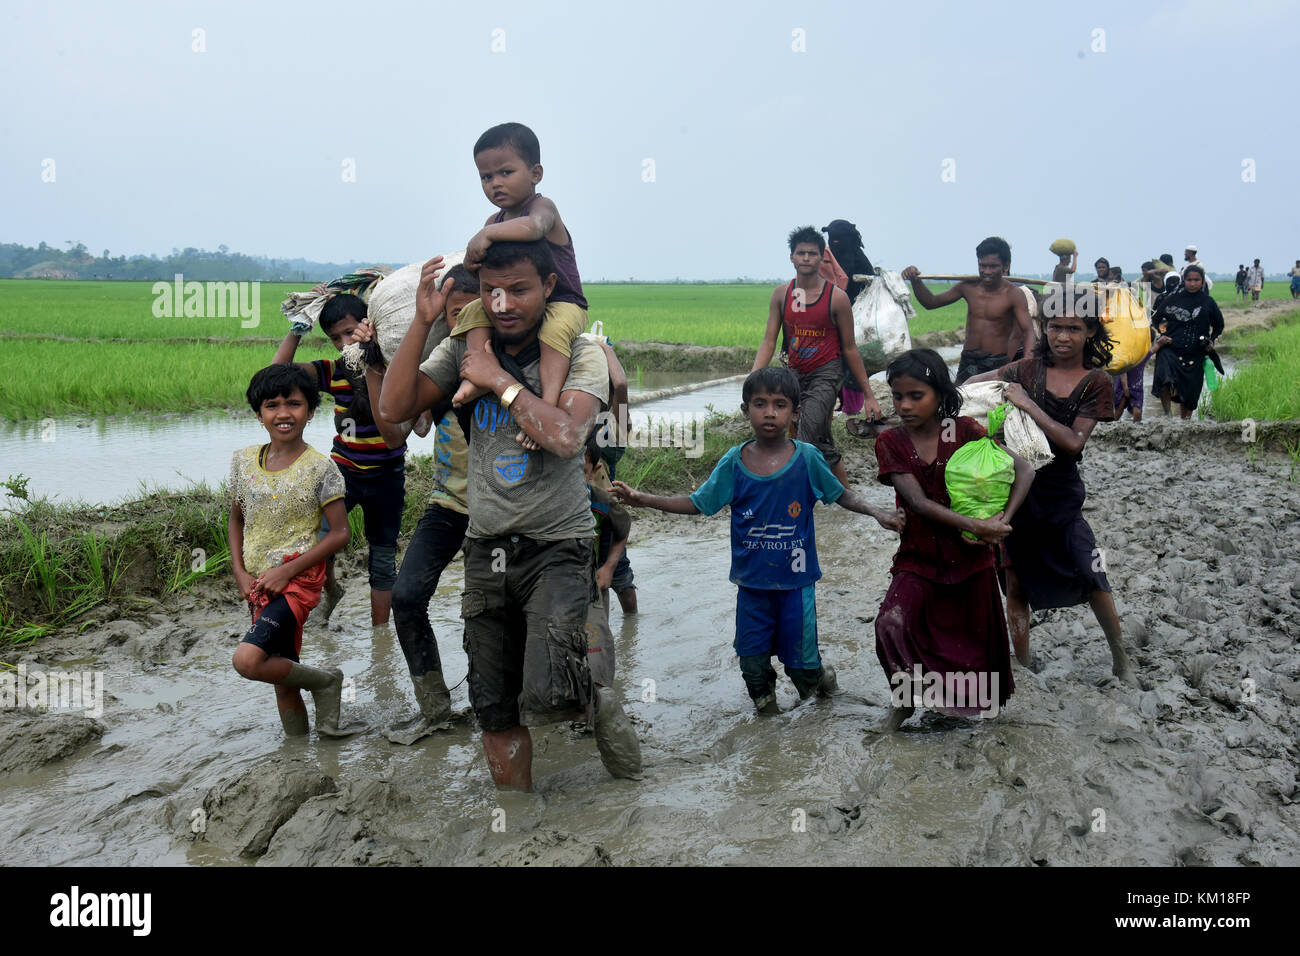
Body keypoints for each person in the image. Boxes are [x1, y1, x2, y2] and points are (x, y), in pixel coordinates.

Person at [379, 240, 639, 788]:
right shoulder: (462, 350)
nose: (502, 303)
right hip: (486, 546)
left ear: (548, 287)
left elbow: (567, 437)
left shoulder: (580, 353)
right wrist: (423, 325)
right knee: (493, 705)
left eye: (518, 289)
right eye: (492, 292)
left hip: (557, 546)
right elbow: (395, 409)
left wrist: (499, 381)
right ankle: (517, 817)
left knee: (551, 693)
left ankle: (594, 694)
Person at [612, 367, 905, 715]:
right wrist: (644, 498)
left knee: (802, 667)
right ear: (744, 410)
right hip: (751, 586)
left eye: (779, 405)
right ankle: (767, 721)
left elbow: (841, 495)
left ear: (794, 413)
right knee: (752, 663)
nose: (769, 412)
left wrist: (877, 511)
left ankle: (823, 681)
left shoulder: (807, 459)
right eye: (760, 403)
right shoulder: (733, 464)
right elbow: (698, 503)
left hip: (797, 585)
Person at [967, 310, 1135, 685]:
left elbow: (1073, 443)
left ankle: (1120, 658)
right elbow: (974, 386)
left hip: (1060, 494)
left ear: (1090, 332)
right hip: (1013, 492)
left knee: (1092, 573)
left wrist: (1027, 404)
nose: (1063, 336)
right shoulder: (1025, 370)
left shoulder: (1096, 381)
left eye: (1074, 328)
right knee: (1015, 582)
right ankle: (1024, 664)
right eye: (1055, 326)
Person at [872, 349, 1032, 731]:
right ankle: (906, 699)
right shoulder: (891, 442)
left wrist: (1001, 523)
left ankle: (978, 718)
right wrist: (980, 527)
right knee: (890, 624)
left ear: (940, 394)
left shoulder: (963, 432)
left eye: (916, 396)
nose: (905, 405)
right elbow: (917, 502)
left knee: (974, 646)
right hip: (919, 556)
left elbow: (1024, 470)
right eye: (897, 396)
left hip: (971, 558)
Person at [367, 265, 479, 745]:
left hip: (505, 514)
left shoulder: (515, 365)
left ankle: (498, 704)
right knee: (407, 597)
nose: (463, 325)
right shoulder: (442, 366)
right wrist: (374, 364)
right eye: (454, 316)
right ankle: (437, 711)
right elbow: (393, 429)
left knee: (484, 613)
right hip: (449, 505)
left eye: (472, 315)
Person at [228, 364, 367, 738]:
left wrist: (286, 571)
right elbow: (236, 519)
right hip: (259, 583)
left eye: (294, 403)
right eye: (272, 405)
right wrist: (240, 572)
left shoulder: (322, 469)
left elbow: (339, 534)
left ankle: (324, 682)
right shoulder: (243, 462)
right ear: (259, 414)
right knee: (283, 675)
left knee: (247, 659)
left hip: (296, 583)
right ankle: (298, 753)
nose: (284, 413)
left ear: (310, 410)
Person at [272, 292, 409, 626]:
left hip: (387, 476)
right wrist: (298, 328)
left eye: (350, 333)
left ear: (368, 326)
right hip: (342, 472)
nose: (343, 342)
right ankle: (330, 590)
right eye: (335, 337)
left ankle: (381, 634)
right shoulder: (333, 372)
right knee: (320, 541)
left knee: (382, 557)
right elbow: (276, 374)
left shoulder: (389, 369)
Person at [450, 123, 588, 452]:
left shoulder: (543, 209)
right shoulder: (493, 223)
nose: (496, 183)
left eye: (506, 172)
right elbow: (483, 267)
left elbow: (533, 228)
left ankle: (548, 404)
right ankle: (478, 369)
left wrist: (486, 236)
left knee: (552, 331)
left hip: (564, 302)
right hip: (518, 302)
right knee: (472, 311)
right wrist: (473, 258)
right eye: (486, 177)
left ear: (535, 172)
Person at [752, 227, 885, 487]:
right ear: (791, 257)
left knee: (807, 433)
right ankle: (845, 497)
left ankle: (797, 495)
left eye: (812, 253)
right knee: (815, 437)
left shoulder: (837, 298)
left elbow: (850, 348)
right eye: (800, 253)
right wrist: (754, 379)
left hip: (827, 372)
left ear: (821, 258)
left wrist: (868, 395)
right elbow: (769, 340)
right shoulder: (781, 295)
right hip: (793, 371)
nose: (805, 258)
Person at [902, 236, 1033, 384]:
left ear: (1006, 266)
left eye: (993, 266)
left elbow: (1028, 330)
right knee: (961, 402)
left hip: (995, 362)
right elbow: (931, 302)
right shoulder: (968, 287)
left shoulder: (1013, 294)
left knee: (995, 404)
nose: (986, 271)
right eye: (982, 266)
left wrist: (1028, 360)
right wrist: (915, 281)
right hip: (968, 360)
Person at [1150, 264, 1224, 419]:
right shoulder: (1172, 300)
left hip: (1196, 351)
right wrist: (1161, 335)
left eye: (1196, 280)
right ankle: (1168, 415)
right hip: (1171, 348)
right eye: (1189, 280)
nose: (1193, 283)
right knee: (1164, 376)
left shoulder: (1208, 302)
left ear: (1202, 281)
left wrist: (1212, 340)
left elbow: (1219, 325)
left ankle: (1186, 423)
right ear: (1184, 280)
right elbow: (1155, 319)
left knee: (1190, 392)